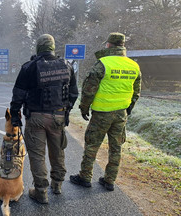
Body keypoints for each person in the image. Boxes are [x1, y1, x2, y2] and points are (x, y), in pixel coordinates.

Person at [10, 34, 78, 203]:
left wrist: (14, 115)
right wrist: (66, 110)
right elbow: (73, 93)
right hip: (58, 116)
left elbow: (18, 95)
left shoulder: (29, 67)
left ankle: (41, 192)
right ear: (53, 47)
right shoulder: (67, 66)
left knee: (37, 155)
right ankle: (57, 185)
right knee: (58, 151)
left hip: (36, 118)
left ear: (38, 48)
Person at [70, 32, 141, 191]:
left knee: (92, 145)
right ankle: (109, 180)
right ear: (123, 46)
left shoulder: (102, 63)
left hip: (102, 113)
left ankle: (85, 177)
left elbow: (89, 89)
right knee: (116, 148)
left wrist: (84, 107)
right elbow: (136, 92)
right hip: (121, 113)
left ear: (108, 45)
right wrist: (128, 108)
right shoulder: (133, 65)